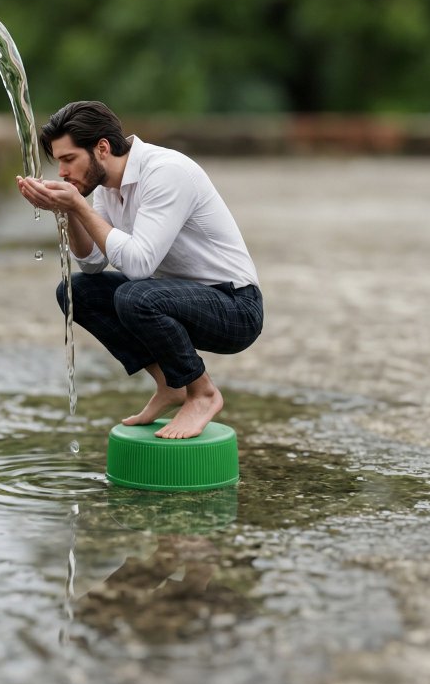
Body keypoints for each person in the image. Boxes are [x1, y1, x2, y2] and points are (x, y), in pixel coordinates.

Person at [16, 101, 263, 439]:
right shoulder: (107, 186)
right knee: (76, 292)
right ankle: (171, 384)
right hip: (173, 298)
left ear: (102, 148)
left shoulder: (165, 172)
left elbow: (138, 265)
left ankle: (203, 393)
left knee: (134, 297)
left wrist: (78, 206)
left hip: (236, 307)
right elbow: (92, 264)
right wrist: (69, 211)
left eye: (69, 159)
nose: (62, 172)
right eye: (59, 162)